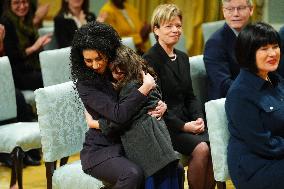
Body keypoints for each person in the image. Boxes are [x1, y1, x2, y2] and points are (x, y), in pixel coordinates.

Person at [71, 21, 170, 189]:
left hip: (132, 143)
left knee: (170, 167)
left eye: (99, 58)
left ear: (109, 52)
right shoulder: (86, 84)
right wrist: (144, 89)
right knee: (132, 174)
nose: (95, 65)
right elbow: (119, 115)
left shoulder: (119, 68)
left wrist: (160, 105)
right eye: (88, 61)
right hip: (100, 151)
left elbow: (148, 89)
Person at [143, 4, 215, 189]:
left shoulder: (182, 57)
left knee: (214, 143)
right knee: (202, 148)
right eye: (169, 26)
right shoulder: (149, 59)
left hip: (186, 121)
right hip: (164, 126)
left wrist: (198, 118)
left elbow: (190, 96)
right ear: (156, 30)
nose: (175, 30)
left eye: (178, 25)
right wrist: (184, 126)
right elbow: (154, 105)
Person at [225, 22, 284, 189]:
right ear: (249, 53)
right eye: (264, 49)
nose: (273, 53)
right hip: (255, 167)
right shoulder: (240, 93)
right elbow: (264, 145)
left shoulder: (276, 80)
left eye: (275, 46)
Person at [203, 0, 254, 100]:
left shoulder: (256, 34)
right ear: (223, 12)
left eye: (240, 8)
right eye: (230, 9)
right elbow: (223, 85)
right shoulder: (215, 43)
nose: (235, 14)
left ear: (251, 10)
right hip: (229, 102)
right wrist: (257, 91)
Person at [0, 0, 51, 90]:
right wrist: (33, 48)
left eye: (25, 2)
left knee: (55, 73)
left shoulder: (28, 20)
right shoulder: (6, 23)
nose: (22, 6)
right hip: (16, 74)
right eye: (17, 3)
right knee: (50, 78)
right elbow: (12, 57)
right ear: (9, 5)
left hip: (32, 68)